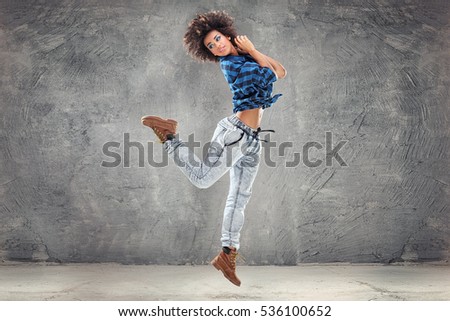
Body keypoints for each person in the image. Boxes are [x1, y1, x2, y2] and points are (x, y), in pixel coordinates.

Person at [141, 10, 286, 286]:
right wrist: (253, 50)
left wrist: (252, 51)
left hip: (252, 140)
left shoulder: (243, 57)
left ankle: (227, 253)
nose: (217, 45)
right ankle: (170, 136)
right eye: (211, 46)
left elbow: (281, 71)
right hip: (236, 134)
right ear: (210, 53)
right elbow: (270, 75)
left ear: (227, 34)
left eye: (217, 39)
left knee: (239, 197)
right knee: (202, 179)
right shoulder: (231, 65)